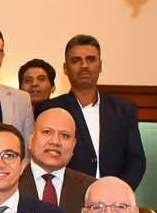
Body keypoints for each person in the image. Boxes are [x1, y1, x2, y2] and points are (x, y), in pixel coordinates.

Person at [47, 35, 146, 187]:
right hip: (67, 196)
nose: (84, 65)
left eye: (91, 59)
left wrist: (118, 192)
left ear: (100, 66)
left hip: (114, 196)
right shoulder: (50, 109)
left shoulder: (123, 109)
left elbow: (136, 160)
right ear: (65, 68)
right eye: (76, 60)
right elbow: (45, 161)